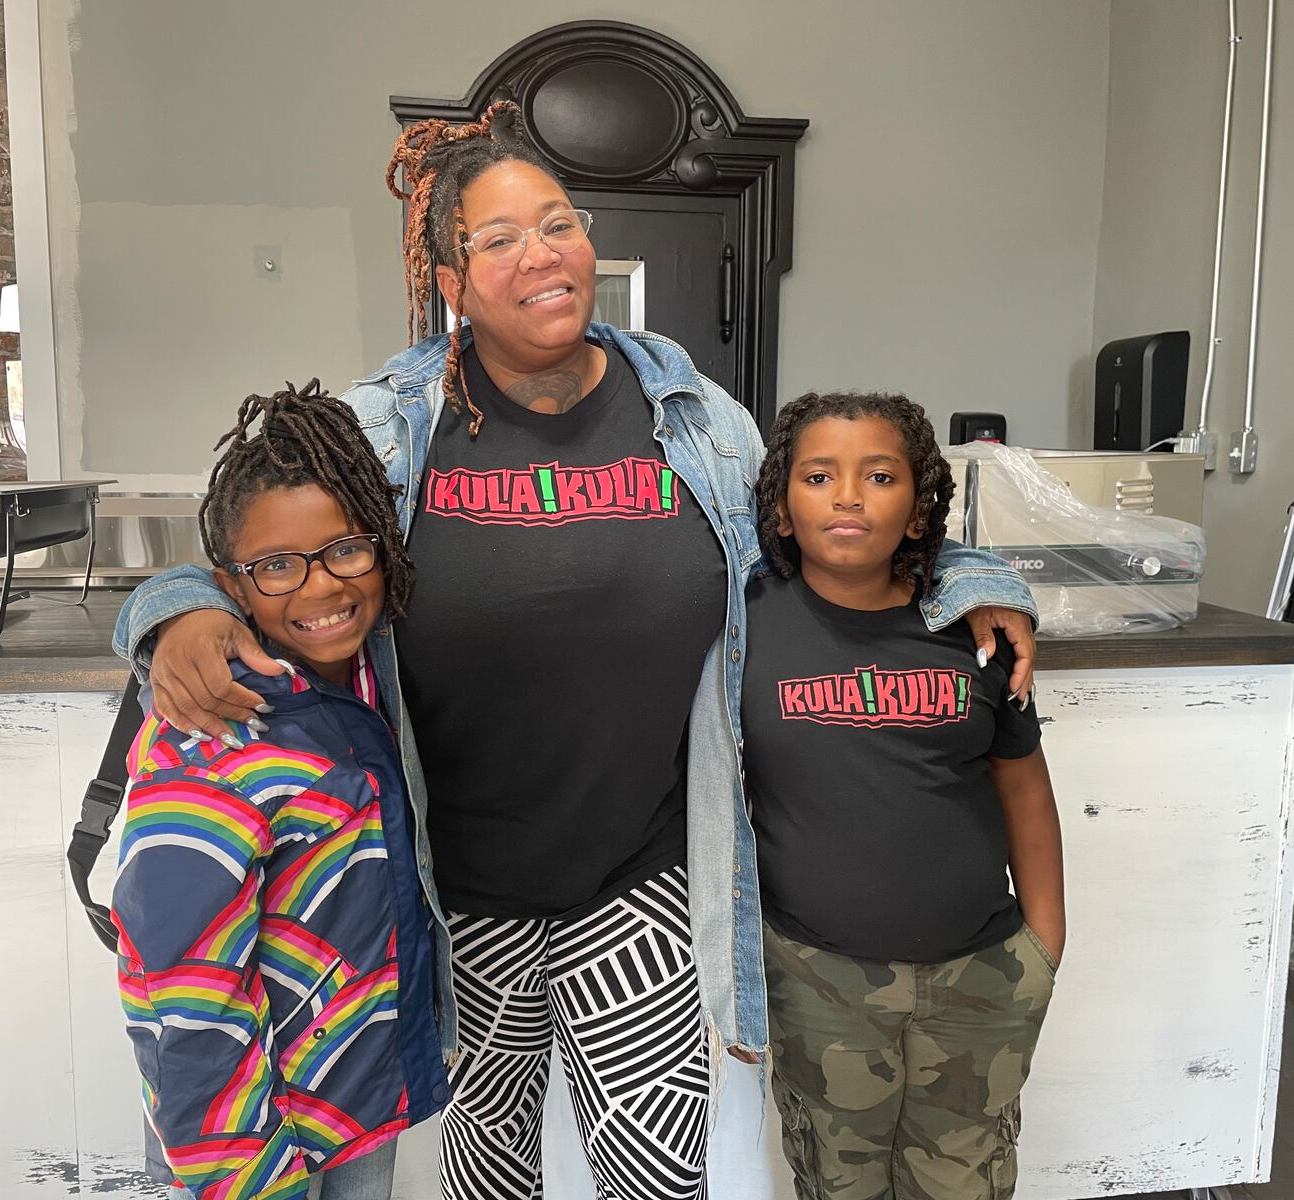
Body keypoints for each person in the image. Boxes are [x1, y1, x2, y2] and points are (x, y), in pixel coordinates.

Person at [112, 103, 1040, 1200]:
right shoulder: (387, 426)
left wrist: (980, 576)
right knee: (487, 1167)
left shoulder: (697, 418)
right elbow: (248, 527)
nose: (538, 254)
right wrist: (171, 609)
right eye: (496, 239)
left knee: (654, 1179)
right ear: (451, 282)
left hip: (640, 879)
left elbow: (841, 529)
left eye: (555, 223)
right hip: (456, 888)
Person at [111, 383, 447, 1200]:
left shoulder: (371, 678)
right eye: (276, 567)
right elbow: (189, 989)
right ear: (230, 585)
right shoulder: (216, 728)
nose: (321, 587)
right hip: (252, 1143)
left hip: (353, 1103)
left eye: (346, 549)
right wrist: (247, 1176)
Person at [743, 391, 1063, 1200]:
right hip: (820, 982)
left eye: (880, 476)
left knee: (965, 1180)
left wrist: (1043, 946)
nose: (848, 495)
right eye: (818, 475)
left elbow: (1024, 785)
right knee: (838, 1182)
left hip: (983, 977)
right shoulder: (745, 625)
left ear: (918, 512)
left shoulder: (977, 631)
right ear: (781, 507)